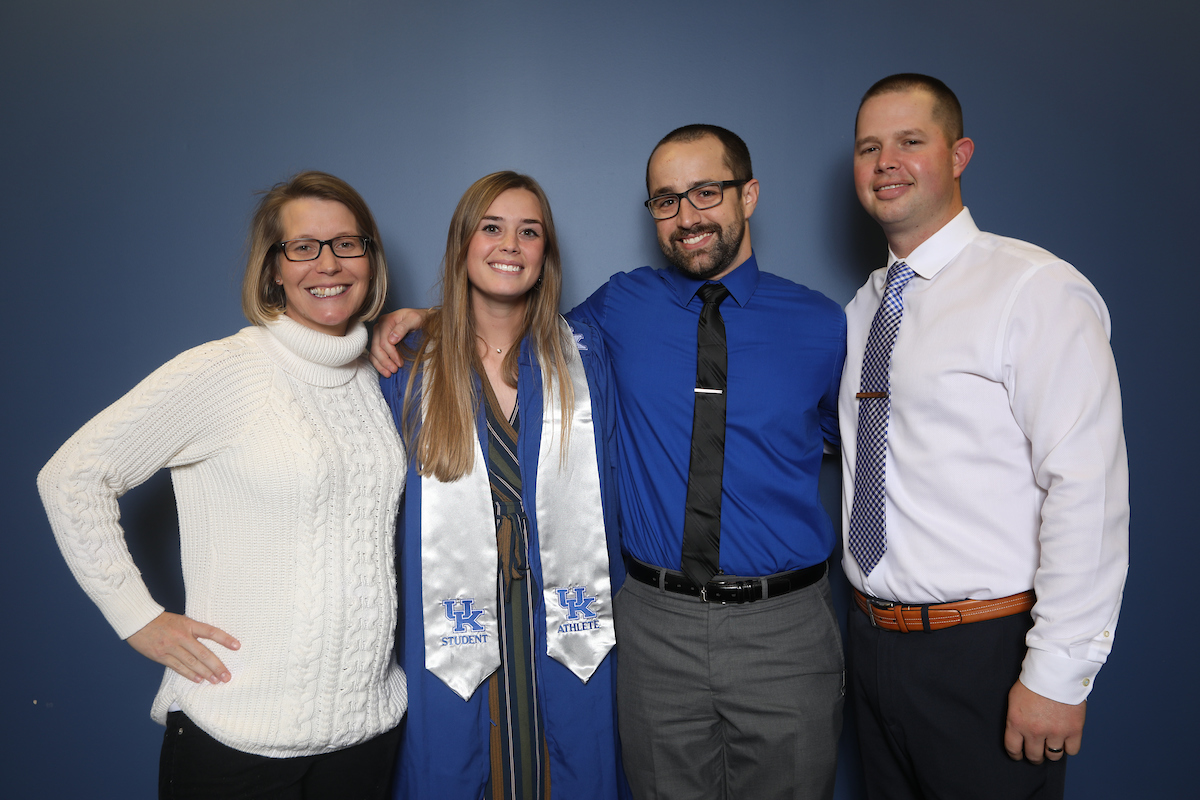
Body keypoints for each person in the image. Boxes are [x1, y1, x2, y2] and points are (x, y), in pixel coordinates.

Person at [372, 127, 846, 800]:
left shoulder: (824, 324)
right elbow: (508, 320)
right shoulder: (618, 311)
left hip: (783, 625)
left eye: (705, 192)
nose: (687, 215)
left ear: (749, 195)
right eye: (666, 199)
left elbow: (853, 438)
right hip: (656, 623)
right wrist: (428, 318)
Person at [38, 171, 408, 799]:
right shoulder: (224, 372)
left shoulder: (379, 375)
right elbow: (72, 476)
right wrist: (138, 617)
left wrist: (421, 317)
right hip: (236, 741)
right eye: (304, 247)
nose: (329, 263)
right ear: (273, 270)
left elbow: (492, 320)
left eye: (349, 244)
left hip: (366, 738)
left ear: (370, 259)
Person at [840, 74, 1128, 800]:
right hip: (871, 647)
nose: (886, 163)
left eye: (911, 142)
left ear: (959, 153)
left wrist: (1057, 674)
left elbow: (1086, 489)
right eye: (869, 147)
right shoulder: (858, 312)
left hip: (986, 653)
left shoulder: (1035, 290)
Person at [380, 171, 627, 799]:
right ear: (463, 244)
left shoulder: (587, 357)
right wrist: (429, 321)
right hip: (453, 620)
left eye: (528, 232)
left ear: (546, 257)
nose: (509, 245)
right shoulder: (405, 370)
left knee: (572, 759)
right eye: (491, 228)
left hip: (563, 612)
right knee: (458, 763)